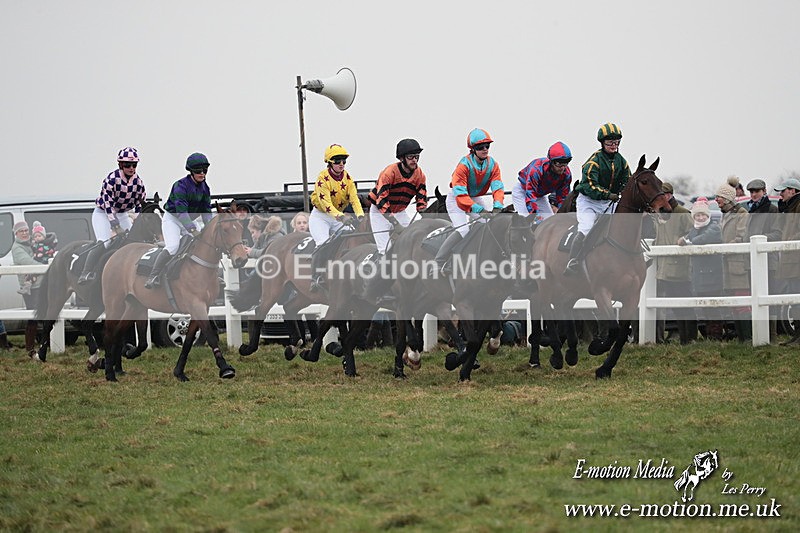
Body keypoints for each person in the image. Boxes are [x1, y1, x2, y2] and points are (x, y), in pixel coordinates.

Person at [433, 128, 504, 275]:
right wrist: (479, 210)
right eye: (480, 147)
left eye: (487, 146)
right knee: (463, 230)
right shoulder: (463, 166)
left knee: (488, 225)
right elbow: (461, 196)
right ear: (473, 149)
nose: (485, 149)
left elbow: (497, 186)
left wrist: (498, 206)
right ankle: (439, 262)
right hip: (456, 199)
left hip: (474, 197)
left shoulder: (493, 165)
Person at [564, 123, 631, 275]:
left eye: (616, 142)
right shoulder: (593, 162)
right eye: (610, 142)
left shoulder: (622, 162)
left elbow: (627, 180)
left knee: (623, 226)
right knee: (586, 228)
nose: (613, 145)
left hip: (609, 202)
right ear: (602, 143)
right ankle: (573, 261)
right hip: (589, 201)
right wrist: (608, 194)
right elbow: (590, 186)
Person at [78, 147, 147, 284]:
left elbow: (141, 204)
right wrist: (115, 225)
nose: (131, 168)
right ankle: (86, 272)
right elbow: (108, 205)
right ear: (120, 164)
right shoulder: (111, 179)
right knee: (105, 241)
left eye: (134, 165)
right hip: (103, 213)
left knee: (133, 242)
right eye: (127, 165)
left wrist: (138, 220)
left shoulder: (138, 183)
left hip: (122, 213)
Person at [145, 153, 213, 289]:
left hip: (189, 220)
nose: (202, 173)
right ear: (191, 171)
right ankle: (153, 276)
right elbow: (181, 212)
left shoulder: (205, 188)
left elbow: (206, 212)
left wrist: (209, 228)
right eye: (198, 170)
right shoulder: (180, 186)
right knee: (173, 247)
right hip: (173, 220)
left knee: (202, 245)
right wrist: (193, 230)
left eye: (204, 170)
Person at [308, 144, 364, 292]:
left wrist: (360, 216)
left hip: (338, 217)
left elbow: (354, 199)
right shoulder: (322, 178)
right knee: (323, 242)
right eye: (338, 161)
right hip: (321, 217)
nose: (341, 164)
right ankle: (316, 278)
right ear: (329, 162)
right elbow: (326, 204)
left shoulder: (348, 178)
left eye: (344, 161)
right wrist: (341, 217)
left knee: (352, 236)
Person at [367, 138, 428, 255]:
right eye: (410, 157)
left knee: (412, 240)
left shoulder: (420, 175)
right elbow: (382, 202)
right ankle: (379, 263)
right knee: (385, 250)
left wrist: (424, 213)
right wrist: (395, 223)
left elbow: (421, 200)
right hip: (380, 212)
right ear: (401, 158)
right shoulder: (389, 173)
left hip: (400, 211)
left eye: (416, 156)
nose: (414, 160)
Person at [654, 182, 696, 344]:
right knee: (675, 306)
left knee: (685, 305)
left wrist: (683, 240)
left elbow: (692, 233)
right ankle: (683, 339)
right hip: (663, 268)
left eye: (663, 194)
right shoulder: (660, 214)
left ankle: (690, 338)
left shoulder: (682, 213)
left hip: (680, 267)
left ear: (669, 195)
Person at [678, 198, 725, 340]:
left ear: (708, 215)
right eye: (697, 215)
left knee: (713, 308)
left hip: (712, 275)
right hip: (699, 276)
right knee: (704, 309)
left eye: (703, 215)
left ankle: (716, 337)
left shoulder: (714, 228)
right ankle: (709, 336)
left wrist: (688, 242)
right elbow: (686, 239)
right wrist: (683, 240)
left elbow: (703, 238)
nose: (700, 218)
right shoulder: (694, 229)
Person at [744, 178, 781, 342]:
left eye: (756, 191)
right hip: (751, 261)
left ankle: (771, 335)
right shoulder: (751, 211)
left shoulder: (772, 210)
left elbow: (777, 234)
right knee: (755, 298)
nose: (753, 195)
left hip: (767, 261)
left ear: (764, 191)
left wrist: (759, 239)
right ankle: (759, 334)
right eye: (751, 192)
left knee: (768, 297)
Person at [716, 177, 750, 341]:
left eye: (719, 197)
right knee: (734, 304)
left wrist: (724, 248)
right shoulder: (724, 215)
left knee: (742, 302)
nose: (716, 199)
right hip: (727, 264)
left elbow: (741, 237)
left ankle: (748, 337)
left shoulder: (741, 214)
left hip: (738, 265)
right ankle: (741, 338)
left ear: (727, 198)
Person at [512, 141, 573, 223]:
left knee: (550, 222)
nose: (562, 168)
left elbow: (562, 198)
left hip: (540, 196)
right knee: (527, 222)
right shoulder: (536, 170)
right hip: (523, 192)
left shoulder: (566, 175)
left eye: (565, 163)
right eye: (559, 163)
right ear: (551, 161)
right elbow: (531, 196)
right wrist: (536, 217)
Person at [773, 177, 800, 344]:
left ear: (793, 190)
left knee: (797, 297)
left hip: (796, 262)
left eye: (783, 191)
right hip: (791, 262)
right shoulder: (790, 208)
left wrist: (790, 240)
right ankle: (797, 334)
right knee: (794, 299)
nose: (780, 194)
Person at [11, 221, 41, 358]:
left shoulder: (31, 244)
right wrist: (46, 267)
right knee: (33, 317)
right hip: (30, 288)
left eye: (26, 230)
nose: (24, 233)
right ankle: (30, 348)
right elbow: (30, 263)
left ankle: (39, 345)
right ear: (16, 233)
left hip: (38, 285)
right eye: (21, 231)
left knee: (39, 316)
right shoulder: (17, 248)